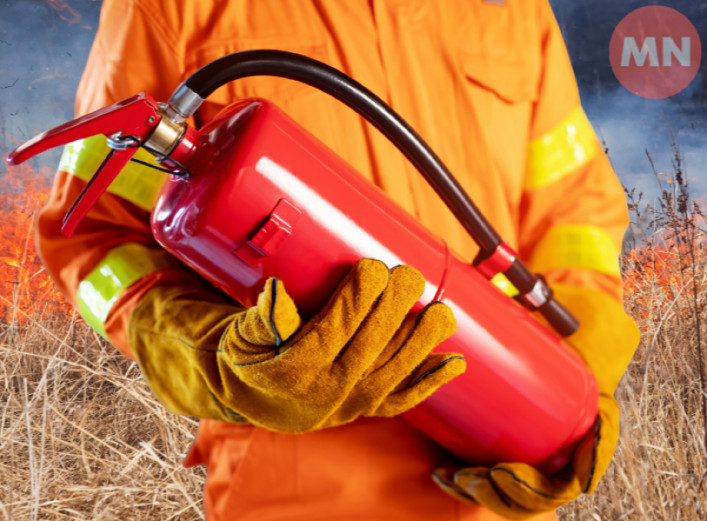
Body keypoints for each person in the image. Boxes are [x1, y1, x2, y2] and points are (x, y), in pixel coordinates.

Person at [35, 1, 639, 520]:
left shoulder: (510, 8)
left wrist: (578, 376)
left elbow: (574, 211)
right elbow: (91, 242)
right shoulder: (172, 7)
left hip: (497, 464)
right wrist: (222, 358)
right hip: (300, 495)